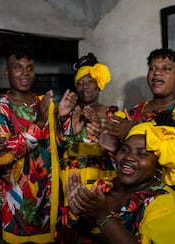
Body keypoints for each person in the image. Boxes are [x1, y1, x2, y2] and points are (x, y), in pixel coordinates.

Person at [101, 48, 175, 243]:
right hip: (140, 200)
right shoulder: (136, 110)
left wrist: (135, 129)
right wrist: (113, 147)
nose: (157, 73)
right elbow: (128, 164)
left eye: (166, 68)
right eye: (152, 68)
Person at [0, 47, 77, 243]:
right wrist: (38, 124)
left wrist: (63, 121)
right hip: (16, 206)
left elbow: (58, 146)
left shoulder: (45, 104)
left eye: (29, 68)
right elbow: (0, 159)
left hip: (48, 199)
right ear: (7, 73)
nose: (25, 73)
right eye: (18, 67)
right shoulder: (0, 110)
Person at [65, 112, 175, 244]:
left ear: (159, 165)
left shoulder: (167, 206)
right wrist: (76, 214)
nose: (128, 157)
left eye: (142, 154)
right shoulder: (103, 186)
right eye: (124, 150)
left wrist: (103, 218)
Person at [58, 53, 119, 233]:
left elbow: (122, 151)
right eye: (80, 82)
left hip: (102, 177)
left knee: (100, 228)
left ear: (99, 85)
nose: (84, 86)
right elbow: (56, 149)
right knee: (73, 226)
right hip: (72, 179)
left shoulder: (113, 115)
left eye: (90, 81)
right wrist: (65, 125)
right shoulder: (67, 114)